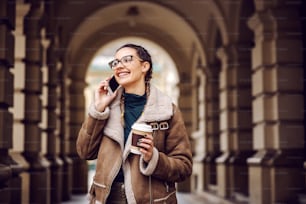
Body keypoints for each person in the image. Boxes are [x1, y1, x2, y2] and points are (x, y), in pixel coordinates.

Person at [76, 43, 193, 204]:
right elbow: (85, 152)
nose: (119, 66)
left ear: (145, 66)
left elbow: (184, 167)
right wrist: (99, 109)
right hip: (109, 199)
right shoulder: (105, 108)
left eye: (127, 59)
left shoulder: (167, 110)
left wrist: (154, 158)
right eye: (115, 62)